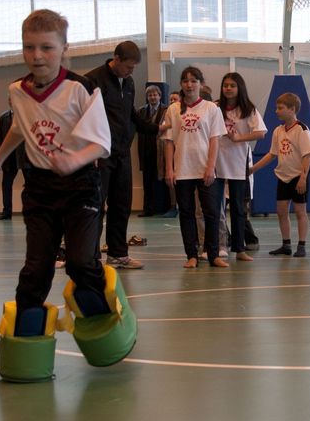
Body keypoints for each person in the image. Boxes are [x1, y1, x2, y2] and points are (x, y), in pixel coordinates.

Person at [0, 9, 136, 382]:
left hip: (80, 184)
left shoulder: (82, 89)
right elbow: (20, 127)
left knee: (81, 263)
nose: (37, 56)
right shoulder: (16, 91)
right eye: (29, 47)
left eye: (47, 48)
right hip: (39, 189)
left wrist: (73, 160)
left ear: (64, 48)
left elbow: (102, 143)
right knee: (35, 270)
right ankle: (26, 349)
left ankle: (107, 323)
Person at [83, 41, 158, 270]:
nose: (131, 71)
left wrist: (155, 128)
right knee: (96, 205)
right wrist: (91, 149)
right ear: (115, 59)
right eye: (128, 67)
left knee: (121, 204)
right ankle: (90, 257)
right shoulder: (92, 80)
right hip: (100, 154)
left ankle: (117, 254)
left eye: (134, 68)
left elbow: (130, 114)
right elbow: (83, 117)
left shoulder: (129, 82)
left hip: (122, 153)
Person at [163, 65, 227, 269]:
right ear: (181, 84)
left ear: (201, 84)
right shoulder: (173, 109)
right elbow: (169, 142)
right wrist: (169, 169)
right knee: (187, 213)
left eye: (193, 81)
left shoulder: (211, 108)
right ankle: (191, 255)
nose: (189, 85)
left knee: (212, 212)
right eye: (185, 81)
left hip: (204, 169)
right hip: (182, 170)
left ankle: (213, 254)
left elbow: (215, 140)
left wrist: (210, 167)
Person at [250, 92, 310, 258]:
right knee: (281, 211)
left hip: (298, 176)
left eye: (280, 108)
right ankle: (286, 244)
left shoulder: (302, 129)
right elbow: (272, 154)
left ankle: (302, 245)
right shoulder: (278, 131)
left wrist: (303, 178)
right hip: (283, 175)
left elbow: (307, 155)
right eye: (276, 108)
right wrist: (253, 168)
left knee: (300, 211)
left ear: (292, 109)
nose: (276, 111)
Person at [215, 72, 266, 262]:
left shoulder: (248, 109)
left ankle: (239, 249)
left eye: (232, 85)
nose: (228, 88)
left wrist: (238, 138)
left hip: (238, 163)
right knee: (214, 207)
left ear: (239, 88)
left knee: (238, 208)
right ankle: (216, 247)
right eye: (225, 85)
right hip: (216, 162)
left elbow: (260, 133)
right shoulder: (215, 107)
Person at [134, 84, 169, 217]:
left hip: (161, 149)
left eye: (155, 95)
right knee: (147, 181)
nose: (153, 97)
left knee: (162, 179)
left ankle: (163, 207)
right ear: (147, 97)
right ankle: (148, 209)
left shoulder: (167, 110)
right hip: (145, 149)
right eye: (150, 95)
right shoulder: (141, 111)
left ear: (160, 96)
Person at [0, 109, 22, 220]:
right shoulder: (4, 117)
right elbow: (1, 139)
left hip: (25, 156)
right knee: (6, 184)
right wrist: (0, 158)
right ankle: (7, 212)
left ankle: (34, 211)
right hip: (10, 157)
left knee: (31, 185)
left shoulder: (27, 114)